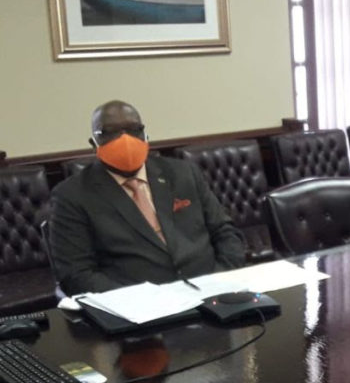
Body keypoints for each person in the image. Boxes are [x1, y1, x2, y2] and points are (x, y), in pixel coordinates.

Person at [49, 100, 246, 295]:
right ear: (94, 143)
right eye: (109, 132)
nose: (125, 139)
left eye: (134, 129)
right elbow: (76, 274)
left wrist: (220, 278)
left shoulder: (183, 173)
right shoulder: (72, 195)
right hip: (137, 305)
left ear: (145, 135)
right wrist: (140, 301)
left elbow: (225, 232)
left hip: (212, 290)